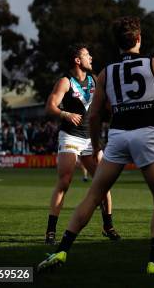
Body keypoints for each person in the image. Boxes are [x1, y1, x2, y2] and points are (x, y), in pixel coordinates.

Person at [37, 17, 154, 275]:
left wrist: (95, 144)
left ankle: (62, 250)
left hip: (117, 136)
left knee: (93, 195)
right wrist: (151, 110)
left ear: (117, 44)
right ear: (138, 39)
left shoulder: (104, 73)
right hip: (145, 133)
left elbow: (94, 116)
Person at [43, 44, 120, 245]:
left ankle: (108, 226)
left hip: (90, 138)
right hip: (70, 136)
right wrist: (65, 113)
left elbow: (106, 104)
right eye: (87, 55)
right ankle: (51, 230)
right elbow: (50, 106)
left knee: (104, 182)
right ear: (77, 60)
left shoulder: (95, 80)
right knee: (65, 181)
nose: (91, 58)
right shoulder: (65, 81)